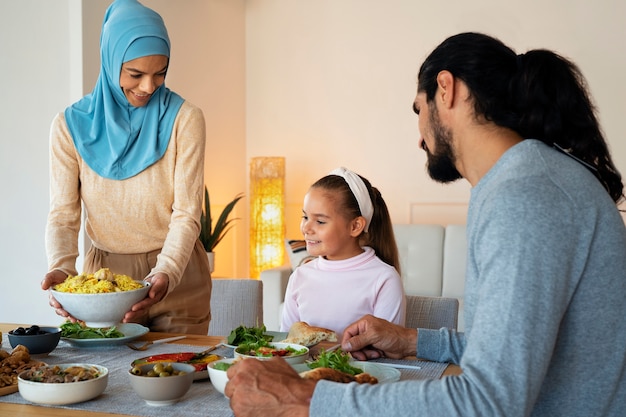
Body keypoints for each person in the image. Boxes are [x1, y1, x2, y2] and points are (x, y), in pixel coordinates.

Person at [225, 32, 626, 416]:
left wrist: (305, 400)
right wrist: (412, 340)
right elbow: (515, 354)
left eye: (419, 110)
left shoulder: (524, 196)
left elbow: (489, 401)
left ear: (446, 89)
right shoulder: (527, 181)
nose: (419, 138)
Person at [41, 0, 212, 334]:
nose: (148, 87)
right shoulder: (68, 126)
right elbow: (63, 214)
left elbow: (187, 212)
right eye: (135, 74)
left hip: (178, 273)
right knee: (109, 379)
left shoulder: (185, 119)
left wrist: (166, 270)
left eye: (159, 73)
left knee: (179, 381)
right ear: (110, 61)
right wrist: (61, 268)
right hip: (104, 280)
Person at [280, 167, 406, 339]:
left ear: (355, 226)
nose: (306, 228)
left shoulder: (384, 279)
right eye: (305, 217)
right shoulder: (300, 276)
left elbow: (386, 353)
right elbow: (288, 345)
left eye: (320, 221)